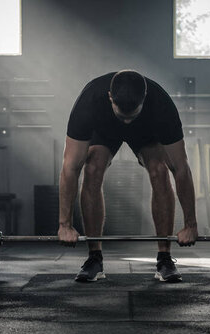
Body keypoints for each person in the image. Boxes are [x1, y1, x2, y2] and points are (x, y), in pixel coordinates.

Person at [58, 70, 198, 283]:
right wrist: (64, 224)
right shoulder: (89, 102)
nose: (125, 122)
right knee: (92, 168)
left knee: (159, 169)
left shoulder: (161, 105)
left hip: (146, 132)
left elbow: (181, 168)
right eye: (121, 115)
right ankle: (94, 258)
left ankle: (165, 259)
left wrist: (191, 225)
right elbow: (70, 168)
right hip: (104, 131)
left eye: (131, 116)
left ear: (144, 99)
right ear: (110, 98)